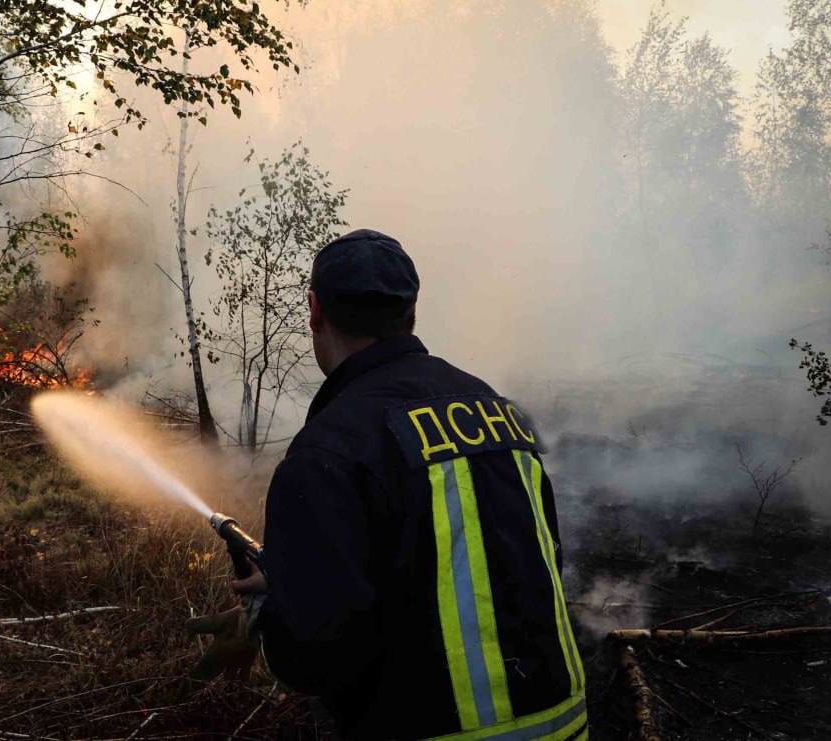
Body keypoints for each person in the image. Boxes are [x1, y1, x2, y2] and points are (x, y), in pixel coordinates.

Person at [203, 229, 586, 740]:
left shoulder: (328, 451)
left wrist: (273, 613)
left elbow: (315, 659)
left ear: (314, 310)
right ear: (411, 314)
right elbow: (499, 572)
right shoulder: (500, 413)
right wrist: (300, 579)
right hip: (566, 725)